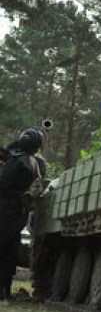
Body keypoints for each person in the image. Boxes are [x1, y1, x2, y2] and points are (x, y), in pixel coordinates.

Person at [0, 128, 46, 302]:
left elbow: (4, 184)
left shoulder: (17, 161)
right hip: (20, 212)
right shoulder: (39, 163)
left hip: (5, 209)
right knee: (10, 249)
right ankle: (4, 289)